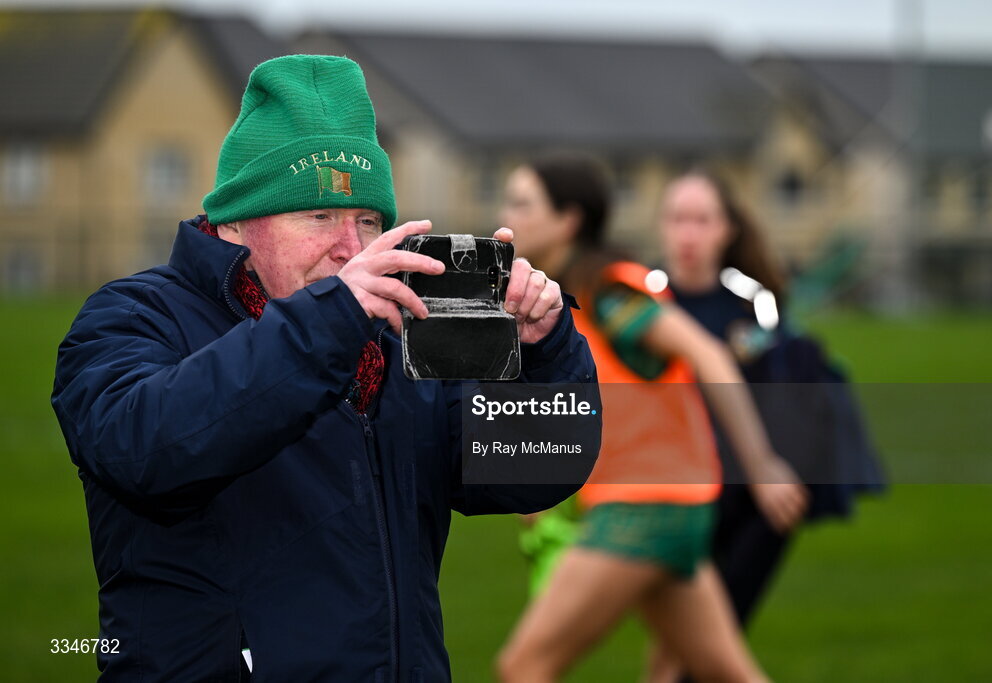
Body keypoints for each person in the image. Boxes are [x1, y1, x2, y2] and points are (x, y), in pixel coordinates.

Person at [50, 55, 598, 681]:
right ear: (237, 221)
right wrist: (329, 323)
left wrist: (541, 351)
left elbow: (534, 470)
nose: (351, 246)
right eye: (319, 216)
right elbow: (144, 450)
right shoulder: (134, 314)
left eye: (368, 220)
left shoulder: (397, 339)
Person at [495, 154, 807, 683]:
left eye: (522, 203)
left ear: (568, 219)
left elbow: (710, 356)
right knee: (723, 672)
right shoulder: (563, 297)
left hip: (645, 508)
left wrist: (762, 465)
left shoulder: (610, 292)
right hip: (674, 506)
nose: (507, 216)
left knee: (523, 666)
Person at [660, 169, 884, 636]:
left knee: (707, 647)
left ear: (728, 228)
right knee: (683, 650)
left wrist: (767, 469)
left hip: (750, 499)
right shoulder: (645, 300)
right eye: (678, 218)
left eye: (702, 219)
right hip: (672, 494)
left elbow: (782, 394)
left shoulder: (753, 303)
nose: (688, 233)